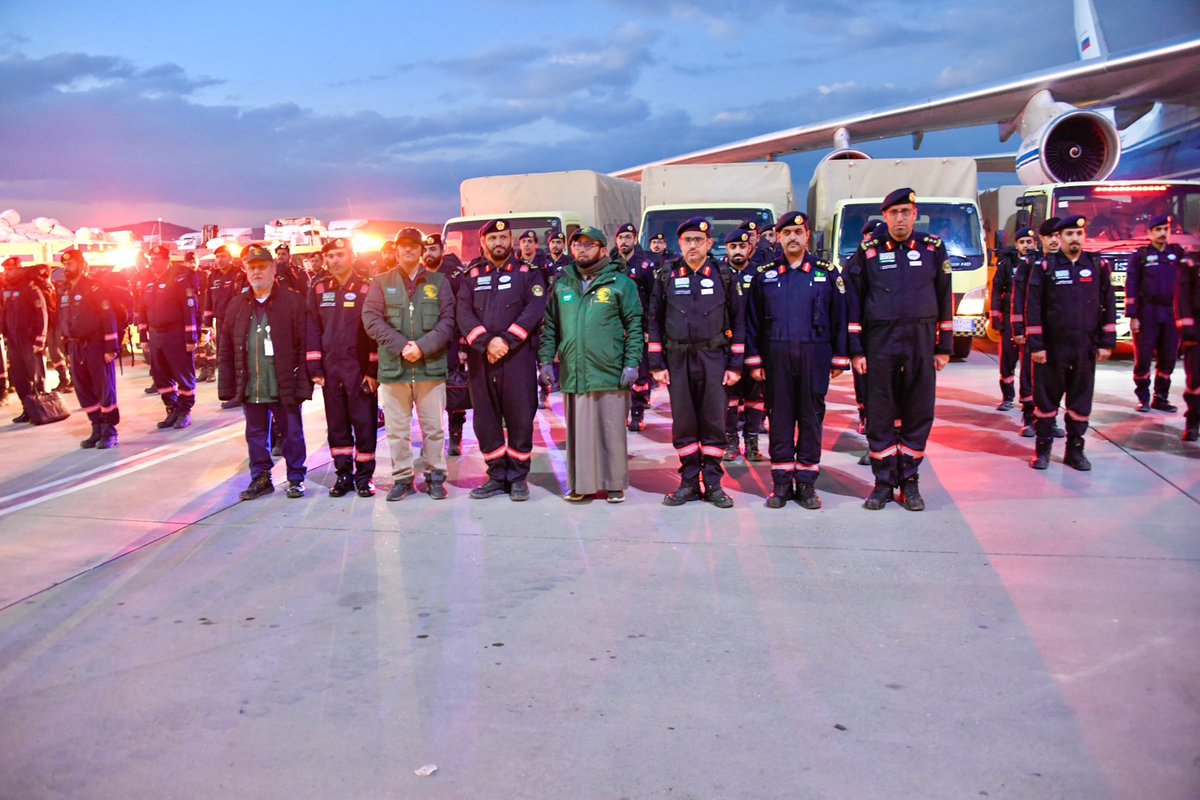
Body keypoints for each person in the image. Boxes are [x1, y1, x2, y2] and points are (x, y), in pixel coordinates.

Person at [846, 188, 953, 511]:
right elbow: (854, 303)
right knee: (880, 414)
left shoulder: (933, 249)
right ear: (886, 217)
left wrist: (944, 346)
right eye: (894, 213)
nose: (900, 218)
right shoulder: (868, 252)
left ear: (915, 214)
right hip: (881, 344)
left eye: (906, 212)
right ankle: (882, 482)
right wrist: (856, 350)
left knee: (918, 413)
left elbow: (945, 297)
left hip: (920, 343)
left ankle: (909, 480)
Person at [745, 212, 849, 509]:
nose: (792, 237)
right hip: (776, 357)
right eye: (786, 232)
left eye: (798, 231)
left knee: (811, 419)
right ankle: (780, 484)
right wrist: (754, 360)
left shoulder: (827, 273)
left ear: (807, 235)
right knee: (779, 419)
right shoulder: (765, 275)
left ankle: (805, 484)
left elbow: (840, 317)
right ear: (777, 237)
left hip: (814, 355)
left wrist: (840, 358)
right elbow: (752, 322)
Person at [538, 227, 643, 502]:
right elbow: (550, 326)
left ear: (601, 248)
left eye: (588, 245)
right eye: (577, 245)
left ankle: (613, 484)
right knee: (580, 432)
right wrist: (546, 360)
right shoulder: (563, 284)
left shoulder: (621, 283)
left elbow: (634, 325)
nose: (581, 250)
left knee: (611, 430)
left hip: (610, 369)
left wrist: (632, 363)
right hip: (575, 370)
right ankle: (582, 485)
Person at [648, 216, 745, 508]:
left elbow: (740, 321)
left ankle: (713, 483)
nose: (693, 245)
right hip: (677, 360)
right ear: (680, 244)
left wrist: (735, 364)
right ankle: (689, 482)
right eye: (688, 240)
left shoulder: (724, 275)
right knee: (684, 422)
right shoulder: (665, 275)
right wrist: (656, 363)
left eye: (699, 240)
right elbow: (654, 320)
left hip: (714, 359)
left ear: (709, 244)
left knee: (714, 421)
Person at [456, 219, 548, 501]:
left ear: (511, 240)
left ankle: (518, 477)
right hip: (481, 359)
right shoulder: (471, 275)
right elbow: (463, 312)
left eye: (503, 237)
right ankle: (496, 475)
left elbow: (535, 309)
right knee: (485, 419)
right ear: (484, 243)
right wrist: (486, 342)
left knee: (521, 416)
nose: (498, 242)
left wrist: (505, 341)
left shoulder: (528, 273)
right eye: (493, 238)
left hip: (517, 357)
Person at [363, 228, 456, 501]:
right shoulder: (381, 281)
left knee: (434, 429)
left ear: (421, 250)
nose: (408, 250)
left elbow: (448, 321)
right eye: (403, 246)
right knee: (397, 431)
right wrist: (402, 346)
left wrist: (423, 347)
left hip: (430, 367)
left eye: (413, 246)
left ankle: (435, 476)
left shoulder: (439, 282)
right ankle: (402, 478)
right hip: (395, 369)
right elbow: (371, 319)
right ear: (396, 250)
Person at [218, 245, 312, 499]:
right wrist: (227, 385)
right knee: (255, 435)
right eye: (252, 267)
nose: (257, 272)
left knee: (292, 432)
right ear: (246, 271)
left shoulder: (292, 302)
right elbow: (225, 346)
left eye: (262, 267)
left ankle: (295, 477)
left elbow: (304, 344)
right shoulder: (237, 305)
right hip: (252, 384)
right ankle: (260, 477)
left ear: (273, 269)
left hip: (284, 382)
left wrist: (304, 381)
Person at [1026, 217, 1116, 471]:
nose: (1074, 238)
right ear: (1060, 237)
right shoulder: (1045, 266)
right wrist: (1037, 345)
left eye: (1078, 233)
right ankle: (1042, 450)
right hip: (1052, 350)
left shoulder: (1097, 266)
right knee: (1045, 402)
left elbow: (1108, 306)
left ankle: (1075, 451)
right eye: (1069, 234)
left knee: (1080, 402)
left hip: (1084, 349)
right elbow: (1033, 307)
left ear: (1084, 235)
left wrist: (1107, 341)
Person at [307, 238, 380, 498]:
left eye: (340, 254)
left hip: (358, 369)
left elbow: (374, 331)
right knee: (336, 425)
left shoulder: (366, 288)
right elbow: (312, 328)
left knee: (364, 423)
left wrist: (373, 370)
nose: (335, 260)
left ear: (351, 256)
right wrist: (314, 367)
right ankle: (343, 474)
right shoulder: (318, 289)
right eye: (331, 256)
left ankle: (364, 477)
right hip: (331, 370)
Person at [58, 248, 121, 448]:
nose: (66, 268)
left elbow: (107, 317)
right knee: (83, 389)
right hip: (75, 347)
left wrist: (111, 347)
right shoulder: (64, 290)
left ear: (81, 264)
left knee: (103, 388)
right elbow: (63, 318)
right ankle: (96, 427)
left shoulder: (94, 287)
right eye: (64, 265)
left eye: (70, 264)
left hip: (96, 345)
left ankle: (109, 431)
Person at [1127, 214, 1185, 412]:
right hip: (1147, 313)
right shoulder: (1140, 256)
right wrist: (1133, 315)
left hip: (1170, 313)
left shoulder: (1176, 254)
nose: (1162, 233)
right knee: (1143, 358)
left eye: (1165, 229)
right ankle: (1143, 397)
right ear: (1149, 233)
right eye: (1158, 230)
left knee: (1168, 357)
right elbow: (1131, 286)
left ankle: (1161, 397)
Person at [1012, 219, 1064, 438]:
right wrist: (1019, 329)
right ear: (1040, 239)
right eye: (1050, 236)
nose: (1054, 240)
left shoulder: (1066, 263)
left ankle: (1049, 418)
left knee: (1054, 378)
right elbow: (1019, 297)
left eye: (1058, 236)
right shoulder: (1029, 264)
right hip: (1034, 331)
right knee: (1029, 374)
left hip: (1059, 333)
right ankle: (1028, 415)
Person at [138, 245, 200, 430]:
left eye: (157, 259)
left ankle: (184, 412)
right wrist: (143, 336)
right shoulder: (148, 283)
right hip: (156, 335)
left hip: (176, 334)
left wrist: (191, 338)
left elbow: (189, 309)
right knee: (160, 375)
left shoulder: (179, 280)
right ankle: (171, 408)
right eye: (151, 259)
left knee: (183, 374)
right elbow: (141, 311)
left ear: (167, 261)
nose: (153, 263)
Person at [421, 232, 469, 456]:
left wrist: (461, 345)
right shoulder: (418, 275)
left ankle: (456, 434)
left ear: (442, 249)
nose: (429, 254)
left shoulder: (454, 275)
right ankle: (430, 439)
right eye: (426, 250)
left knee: (454, 390)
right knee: (426, 394)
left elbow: (463, 310)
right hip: (424, 344)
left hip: (450, 343)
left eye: (433, 249)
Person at [721, 228, 764, 461]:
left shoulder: (759, 273)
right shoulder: (718, 273)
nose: (738, 251)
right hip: (727, 347)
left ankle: (753, 442)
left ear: (750, 248)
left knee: (755, 397)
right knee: (730, 398)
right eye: (733, 246)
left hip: (754, 346)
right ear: (726, 248)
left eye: (742, 246)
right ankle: (731, 442)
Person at [613, 222, 659, 432]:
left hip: (638, 327)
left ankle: (638, 410)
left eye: (628, 237)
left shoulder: (645, 265)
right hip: (615, 327)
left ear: (634, 240)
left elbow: (653, 298)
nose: (624, 241)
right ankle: (620, 410)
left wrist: (650, 328)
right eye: (621, 238)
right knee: (616, 371)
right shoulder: (611, 265)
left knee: (639, 371)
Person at [990, 227, 1036, 411]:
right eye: (1022, 242)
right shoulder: (1006, 265)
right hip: (1010, 319)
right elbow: (995, 292)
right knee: (1007, 359)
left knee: (1029, 362)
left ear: (1035, 243)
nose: (1026, 245)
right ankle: (1007, 396)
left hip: (1031, 320)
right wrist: (995, 318)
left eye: (1029, 242)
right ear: (1016, 244)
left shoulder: (1040, 263)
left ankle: (1029, 398)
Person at [1, 257, 49, 422]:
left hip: (30, 340)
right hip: (14, 342)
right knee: (20, 377)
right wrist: (5, 334)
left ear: (19, 269)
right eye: (6, 270)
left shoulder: (31, 289)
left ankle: (42, 408)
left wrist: (40, 339)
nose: (7, 274)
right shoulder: (7, 290)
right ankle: (27, 409)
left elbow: (42, 314)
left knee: (35, 376)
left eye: (11, 270)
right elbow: (5, 314)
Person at [204, 246, 245, 409]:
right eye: (217, 257)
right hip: (221, 323)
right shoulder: (212, 276)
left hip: (237, 322)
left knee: (238, 358)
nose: (220, 260)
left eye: (223, 256)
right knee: (225, 358)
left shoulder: (238, 274)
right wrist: (207, 323)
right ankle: (231, 392)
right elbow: (208, 298)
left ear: (230, 258)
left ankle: (240, 393)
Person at [1175, 240, 1200, 441]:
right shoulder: (1191, 261)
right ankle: (1193, 420)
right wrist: (1187, 329)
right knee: (1196, 379)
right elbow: (1182, 297)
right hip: (1197, 329)